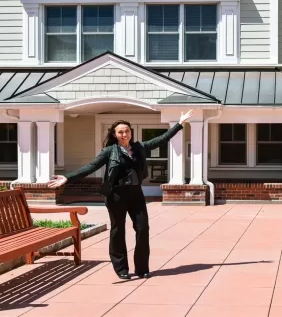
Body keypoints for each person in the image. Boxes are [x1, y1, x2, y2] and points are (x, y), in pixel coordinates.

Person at [47, 110, 193, 279]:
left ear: (131, 132)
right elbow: (90, 167)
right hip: (116, 195)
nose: (124, 134)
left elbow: (163, 139)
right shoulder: (109, 151)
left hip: (136, 193)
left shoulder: (140, 148)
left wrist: (180, 123)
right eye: (120, 132)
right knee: (118, 230)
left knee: (143, 228)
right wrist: (68, 177)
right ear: (115, 135)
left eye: (127, 131)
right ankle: (121, 268)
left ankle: (142, 268)